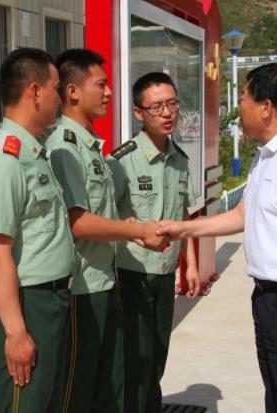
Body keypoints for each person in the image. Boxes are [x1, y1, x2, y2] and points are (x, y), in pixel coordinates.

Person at [158, 63, 277, 412]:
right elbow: (242, 215)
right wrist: (182, 229)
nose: (238, 106)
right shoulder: (268, 154)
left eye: (243, 98)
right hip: (270, 297)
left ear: (266, 107)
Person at [46, 49, 169, 413]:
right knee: (80, 391)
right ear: (72, 92)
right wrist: (135, 231)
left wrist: (123, 228)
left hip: (106, 281)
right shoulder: (64, 147)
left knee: (110, 388)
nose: (109, 92)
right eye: (100, 84)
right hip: (82, 289)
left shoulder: (91, 147)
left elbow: (100, 213)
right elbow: (78, 220)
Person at [0, 48, 73, 412]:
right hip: (25, 306)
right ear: (35, 91)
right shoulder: (5, 159)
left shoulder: (33, 153)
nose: (60, 98)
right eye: (56, 88)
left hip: (47, 302)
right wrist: (16, 332)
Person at [106, 72, 201, 413]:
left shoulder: (180, 160)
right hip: (130, 274)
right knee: (135, 361)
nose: (167, 113)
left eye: (172, 104)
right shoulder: (121, 161)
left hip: (164, 274)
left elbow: (184, 215)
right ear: (138, 113)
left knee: (157, 356)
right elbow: (105, 217)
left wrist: (190, 264)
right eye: (157, 106)